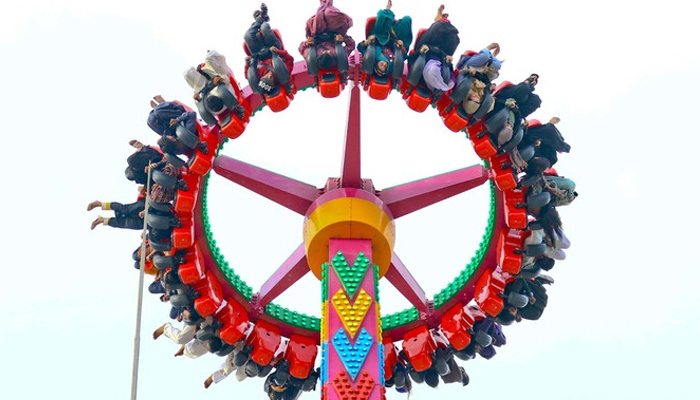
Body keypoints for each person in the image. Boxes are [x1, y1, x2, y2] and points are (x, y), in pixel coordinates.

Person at [244, 3, 295, 96]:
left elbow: (247, 75)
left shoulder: (259, 74)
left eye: (265, 77)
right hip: (274, 49)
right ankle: (262, 18)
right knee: (264, 28)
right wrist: (277, 51)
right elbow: (290, 59)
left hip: (258, 55)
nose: (269, 75)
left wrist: (247, 64)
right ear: (273, 85)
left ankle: (260, 18)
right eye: (270, 78)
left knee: (247, 36)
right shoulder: (282, 74)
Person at [408, 4, 460, 93]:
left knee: (453, 36)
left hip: (441, 58)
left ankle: (442, 19)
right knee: (439, 26)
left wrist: (448, 57)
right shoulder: (435, 30)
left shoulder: (450, 38)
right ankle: (441, 19)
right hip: (428, 55)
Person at [184, 50, 246, 120]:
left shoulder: (212, 106)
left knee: (188, 72)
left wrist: (220, 79)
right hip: (221, 93)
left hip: (220, 91)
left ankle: (236, 109)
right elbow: (226, 79)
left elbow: (227, 78)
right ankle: (236, 109)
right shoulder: (214, 106)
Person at [357, 0, 412, 79]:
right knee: (407, 19)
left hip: (380, 38)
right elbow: (403, 56)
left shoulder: (371, 56)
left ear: (376, 64)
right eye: (385, 66)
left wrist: (367, 42)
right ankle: (394, 28)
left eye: (381, 65)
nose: (384, 64)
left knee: (382, 18)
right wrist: (402, 47)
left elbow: (360, 47)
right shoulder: (393, 63)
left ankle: (387, 11)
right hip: (394, 41)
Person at [298, 0, 355, 71]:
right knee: (330, 14)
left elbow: (301, 48)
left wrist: (308, 42)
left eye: (323, 52)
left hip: (317, 32)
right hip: (334, 32)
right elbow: (351, 45)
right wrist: (343, 39)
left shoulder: (312, 55)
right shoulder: (339, 55)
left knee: (320, 17)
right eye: (329, 52)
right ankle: (327, 6)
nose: (327, 51)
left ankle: (324, 7)